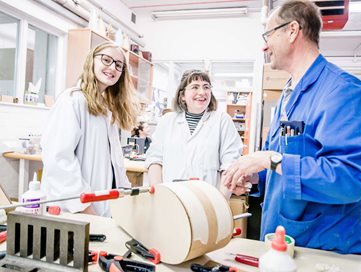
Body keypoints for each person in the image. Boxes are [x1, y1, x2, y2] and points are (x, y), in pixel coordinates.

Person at [224, 0, 361, 256]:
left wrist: (270, 160)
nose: (264, 45)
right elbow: (284, 161)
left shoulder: (344, 92)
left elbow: (349, 179)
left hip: (327, 248)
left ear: (292, 31)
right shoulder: (288, 93)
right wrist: (256, 176)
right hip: (284, 242)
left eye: (269, 34)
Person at [41, 41, 140, 217]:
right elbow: (59, 160)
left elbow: (115, 163)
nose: (112, 68)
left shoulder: (105, 108)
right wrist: (84, 207)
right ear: (91, 61)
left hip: (99, 208)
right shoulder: (72, 100)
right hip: (76, 210)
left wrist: (126, 196)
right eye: (106, 60)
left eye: (118, 65)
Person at [145, 70, 244, 197]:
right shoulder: (167, 121)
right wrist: (158, 195)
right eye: (195, 87)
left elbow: (229, 165)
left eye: (206, 87)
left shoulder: (222, 120)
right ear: (182, 96)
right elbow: (154, 159)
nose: (202, 92)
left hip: (208, 200)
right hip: (172, 198)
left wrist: (220, 205)